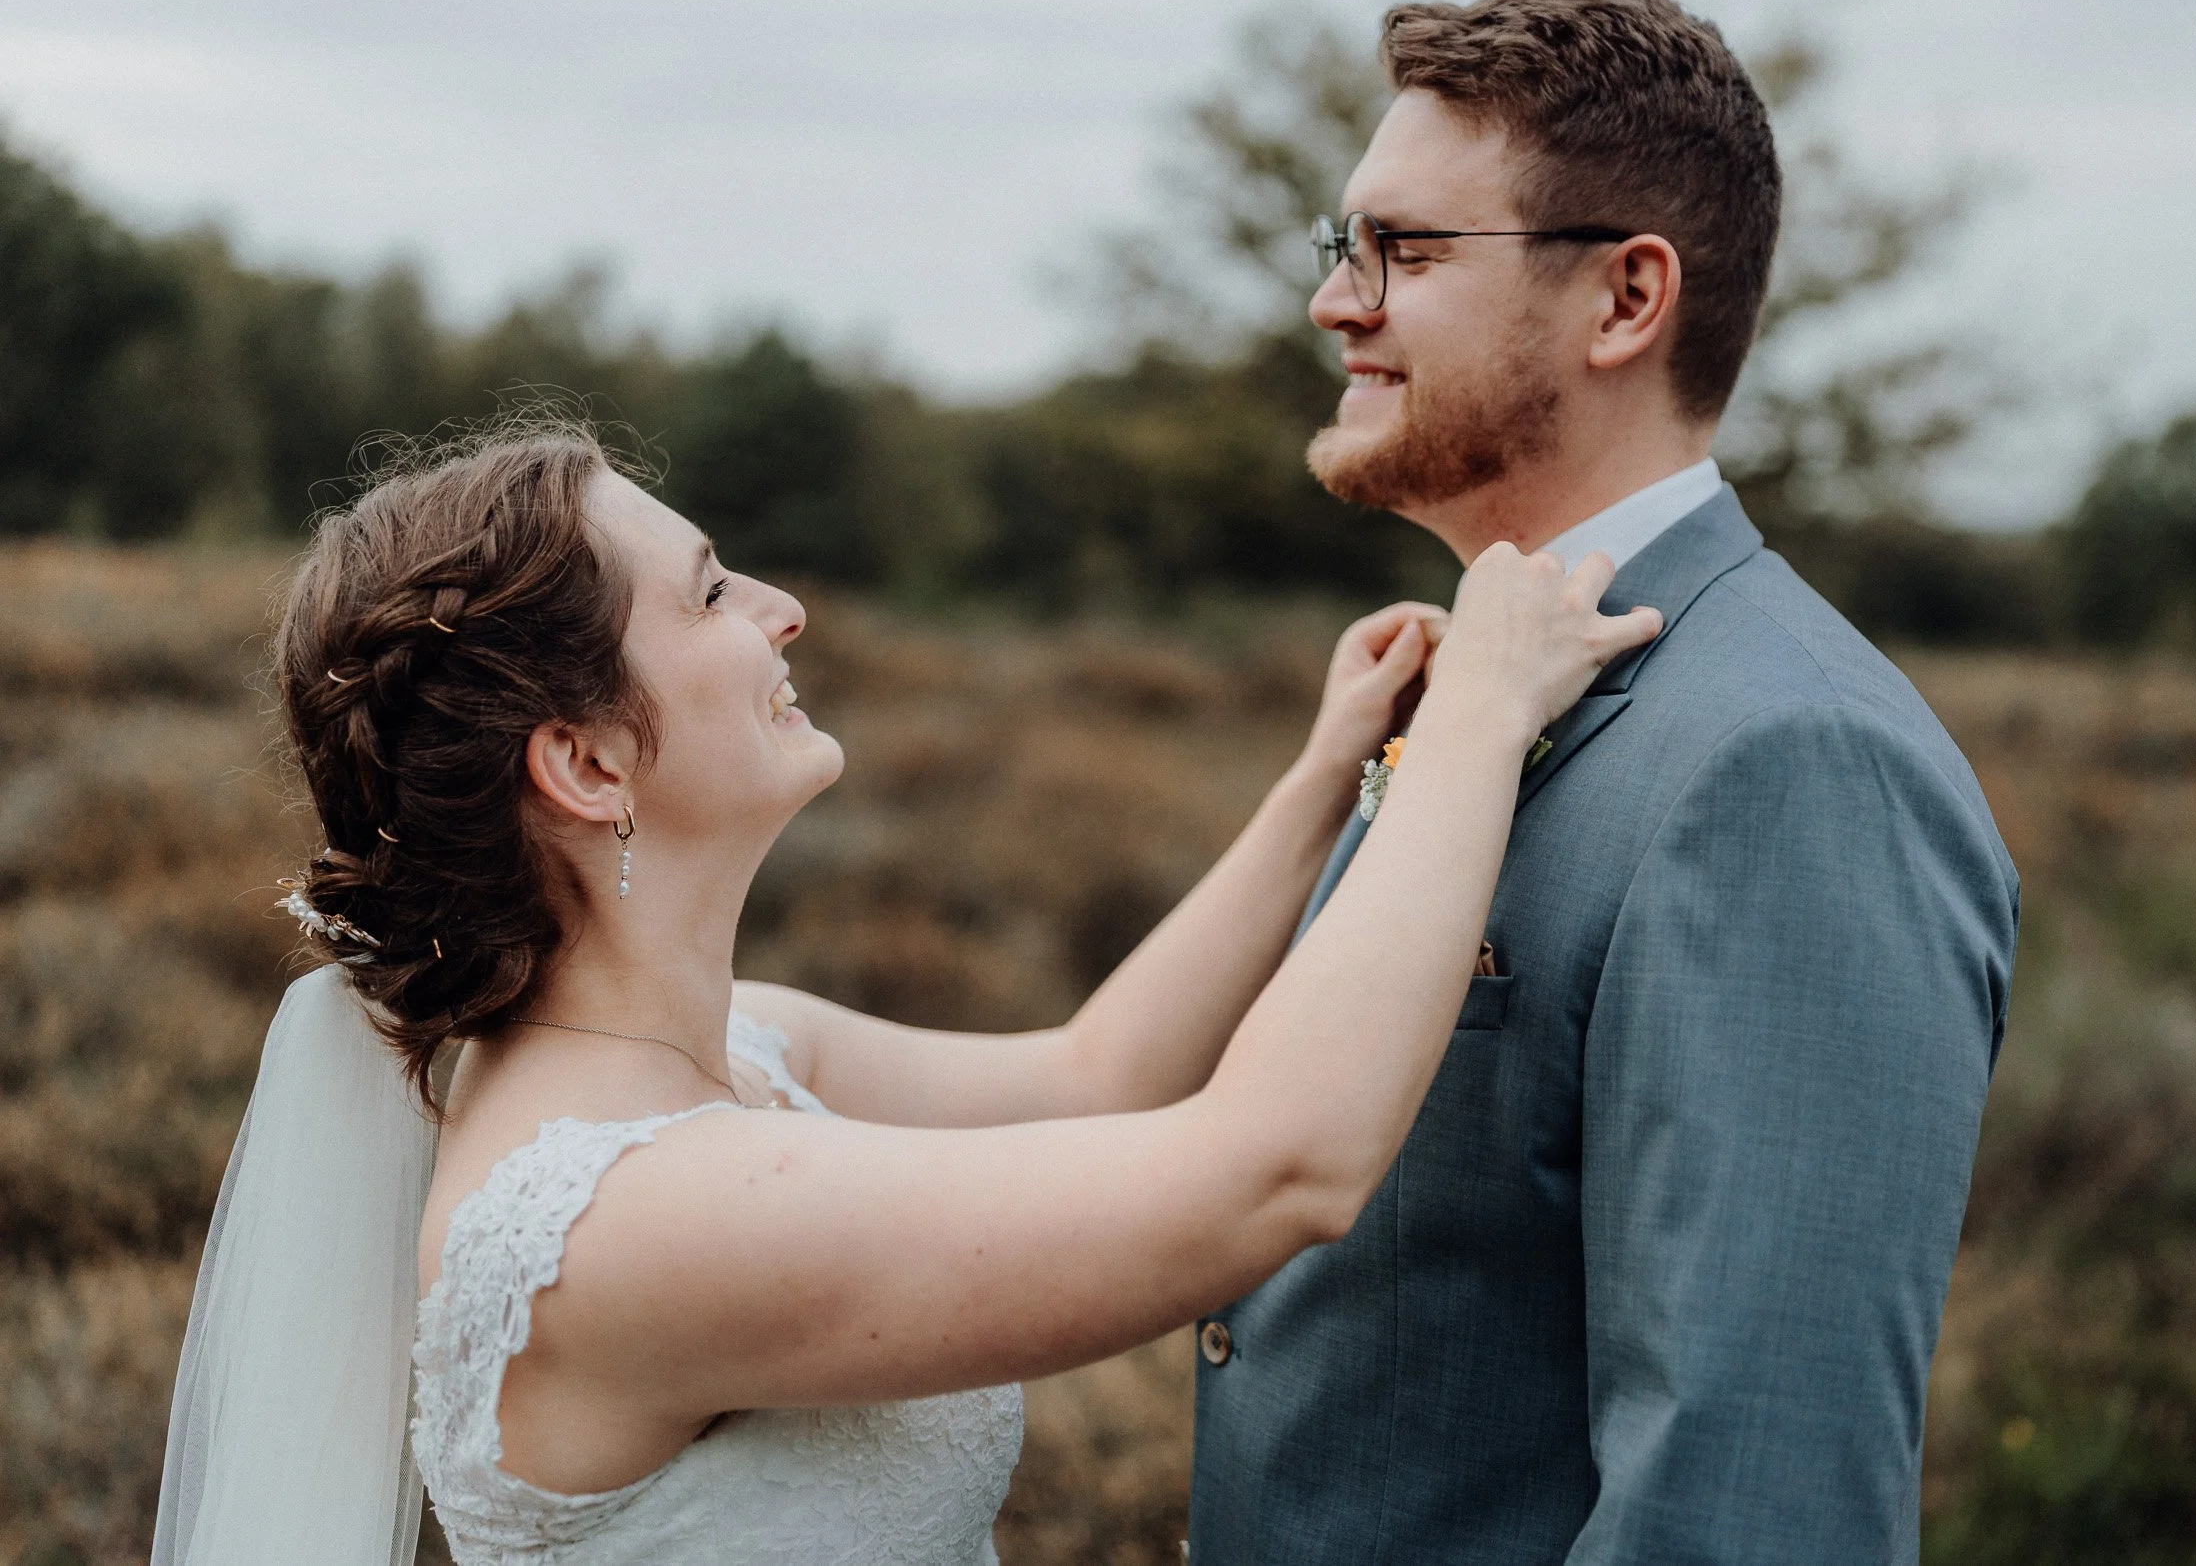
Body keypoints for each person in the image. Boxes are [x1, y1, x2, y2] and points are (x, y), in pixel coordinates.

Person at [150, 413, 1661, 1565]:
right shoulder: (624, 1224)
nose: (784, 604)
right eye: (711, 593)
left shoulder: (732, 1057)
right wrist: (1477, 721)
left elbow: (1090, 1072)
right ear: (590, 764)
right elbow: (1275, 1173)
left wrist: (1330, 774)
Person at [1187, 0, 2020, 1563]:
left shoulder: (1794, 761)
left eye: (1406, 253)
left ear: (1627, 299)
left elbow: (1753, 1498)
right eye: (1338, 244)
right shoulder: (1469, 683)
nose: (1333, 303)